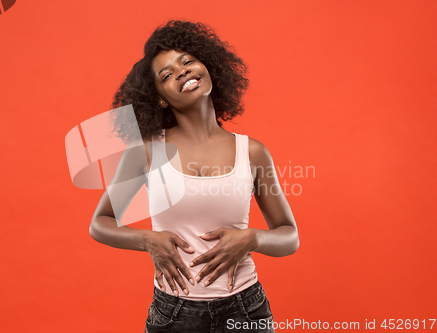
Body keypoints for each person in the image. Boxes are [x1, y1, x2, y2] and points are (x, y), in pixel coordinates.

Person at [89, 20, 299, 333]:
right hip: (174, 313)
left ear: (208, 66)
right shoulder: (147, 151)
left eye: (187, 61)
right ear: (160, 97)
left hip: (244, 309)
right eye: (167, 74)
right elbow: (99, 223)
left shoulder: (252, 151)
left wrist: (252, 238)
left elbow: (289, 236)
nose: (183, 71)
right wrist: (147, 239)